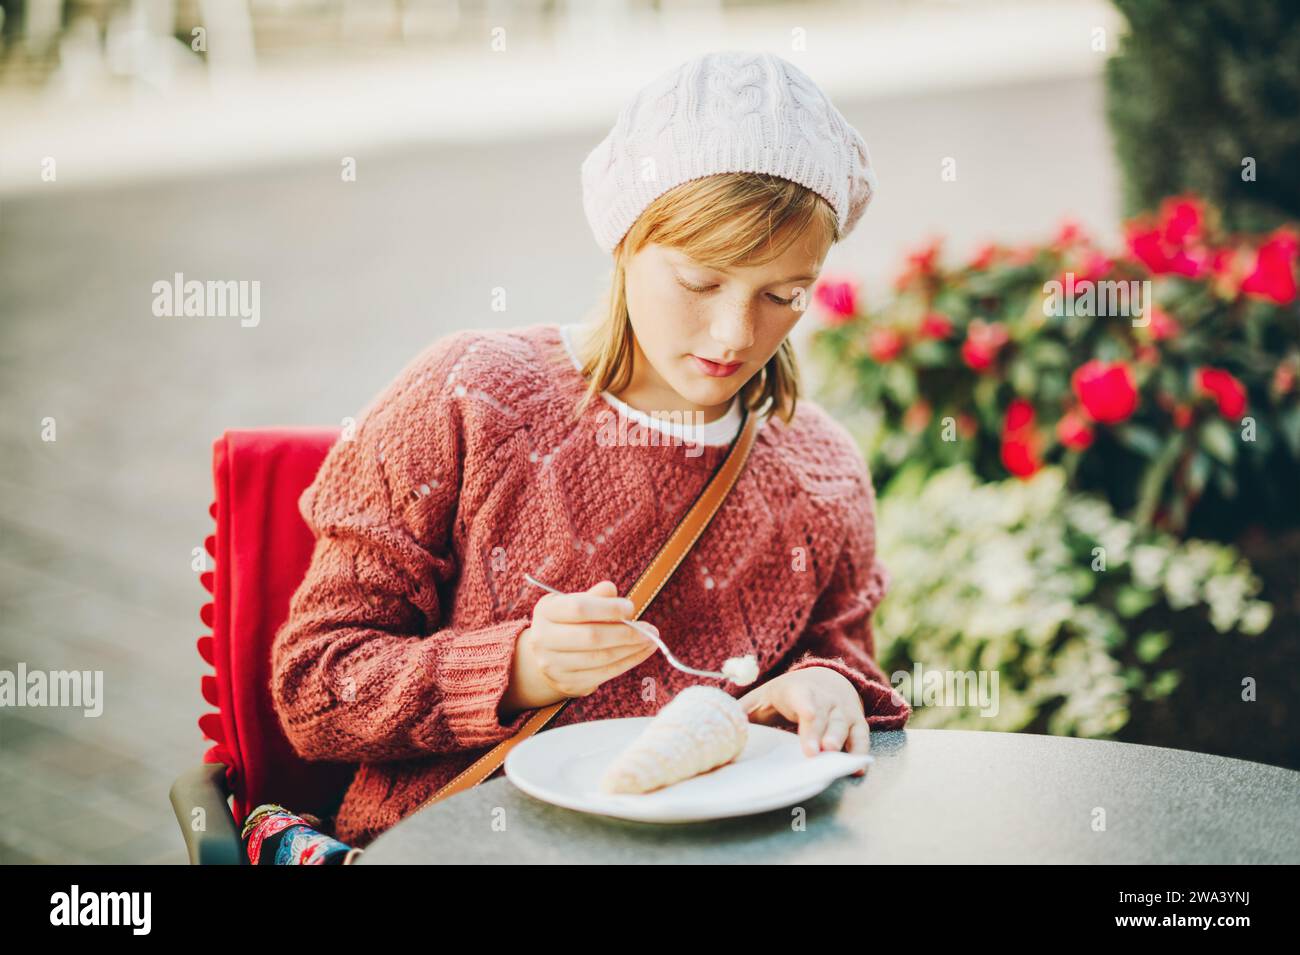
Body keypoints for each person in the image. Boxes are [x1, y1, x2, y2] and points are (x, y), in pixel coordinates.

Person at [270, 49, 911, 850]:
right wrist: (518, 668)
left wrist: (829, 685)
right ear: (625, 240)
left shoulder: (822, 469)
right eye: (701, 281)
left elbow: (846, 661)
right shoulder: (469, 399)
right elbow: (314, 688)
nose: (735, 333)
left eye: (783, 295)